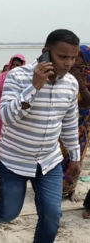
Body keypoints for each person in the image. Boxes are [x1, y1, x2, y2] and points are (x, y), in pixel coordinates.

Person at [0, 29, 82, 243]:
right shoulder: (17, 76)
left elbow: (69, 122)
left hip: (49, 162)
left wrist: (75, 156)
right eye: (62, 56)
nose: (68, 63)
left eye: (73, 57)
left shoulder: (71, 83)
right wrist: (34, 87)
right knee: (9, 212)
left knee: (52, 216)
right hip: (14, 160)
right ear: (46, 52)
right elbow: (5, 116)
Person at [60, 45, 90, 201]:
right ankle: (55, 186)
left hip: (82, 125)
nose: (74, 61)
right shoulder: (66, 73)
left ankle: (68, 188)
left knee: (75, 156)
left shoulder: (87, 76)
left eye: (78, 57)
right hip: (63, 122)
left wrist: (81, 83)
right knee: (59, 154)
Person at [0, 54, 26, 137]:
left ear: (22, 66)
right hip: (1, 108)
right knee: (0, 131)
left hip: (17, 108)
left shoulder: (26, 79)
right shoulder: (2, 77)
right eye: (13, 64)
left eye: (17, 65)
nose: (14, 67)